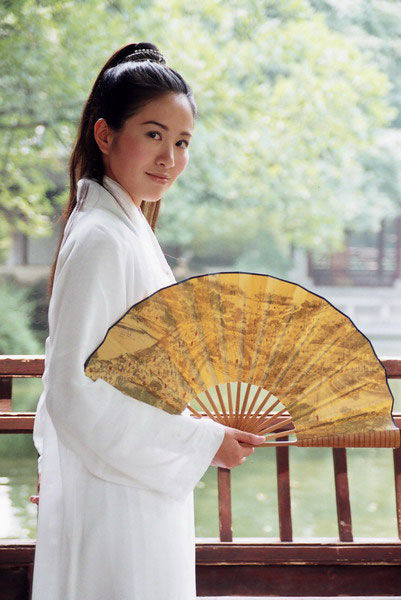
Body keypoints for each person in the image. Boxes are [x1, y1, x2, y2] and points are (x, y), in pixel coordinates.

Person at [31, 41, 266, 600]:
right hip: (117, 495)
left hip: (131, 477)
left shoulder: (123, 228)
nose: (170, 158)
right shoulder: (103, 239)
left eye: (181, 142)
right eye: (154, 134)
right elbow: (72, 388)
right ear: (105, 134)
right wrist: (201, 440)